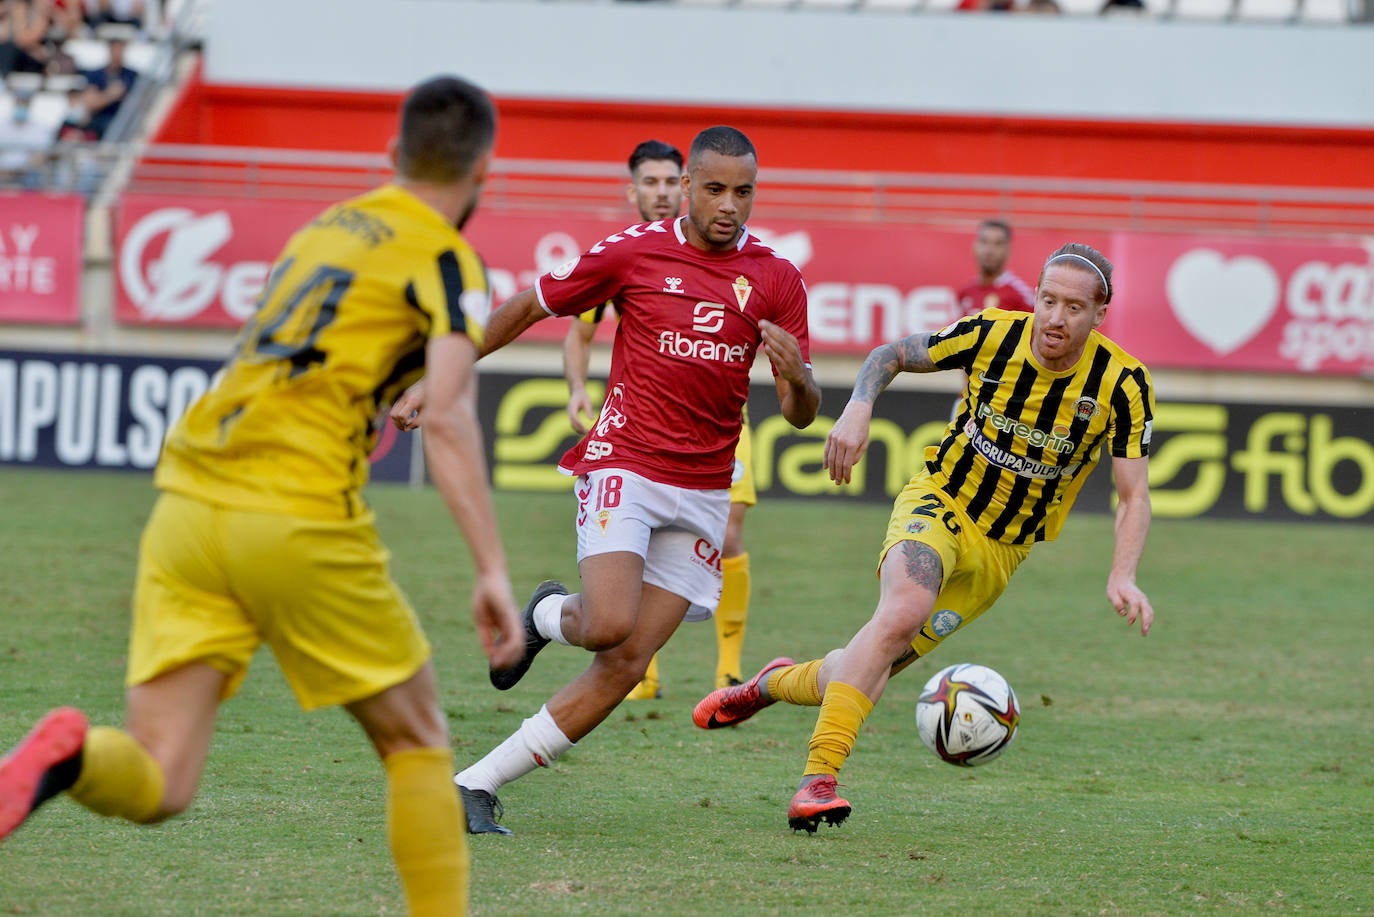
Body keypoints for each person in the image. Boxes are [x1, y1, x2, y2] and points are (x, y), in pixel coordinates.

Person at [0, 75, 525, 916]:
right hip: (295, 511)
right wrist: (492, 566)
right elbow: (454, 413)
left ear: (392, 156)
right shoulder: (446, 257)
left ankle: (67, 757)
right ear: (484, 172)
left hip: (188, 503)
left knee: (161, 776)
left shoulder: (324, 229)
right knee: (418, 742)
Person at [395, 125, 821, 835]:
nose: (729, 205)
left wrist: (802, 378)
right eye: (714, 188)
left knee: (625, 662)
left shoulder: (776, 278)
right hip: (627, 460)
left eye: (743, 192)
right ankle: (546, 616)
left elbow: (800, 414)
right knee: (608, 625)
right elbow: (531, 304)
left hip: (707, 488)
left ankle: (477, 780)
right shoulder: (633, 251)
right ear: (685, 186)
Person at [693, 242, 1155, 833]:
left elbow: (1133, 493)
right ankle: (818, 781)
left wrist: (1123, 573)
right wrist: (859, 407)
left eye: (1072, 307)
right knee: (901, 613)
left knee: (868, 664)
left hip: (1001, 555)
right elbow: (891, 354)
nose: (1055, 319)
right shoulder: (991, 333)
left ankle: (771, 683)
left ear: (1099, 314)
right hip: (940, 500)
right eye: (1047, 300)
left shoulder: (1123, 384)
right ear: (1034, 297)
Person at [562, 138, 763, 700]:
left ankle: (728, 666)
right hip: (642, 430)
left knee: (733, 530)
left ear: (687, 185)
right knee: (635, 541)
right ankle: (641, 669)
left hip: (720, 430)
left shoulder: (735, 258)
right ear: (633, 190)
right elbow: (579, 334)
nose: (661, 192)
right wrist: (578, 389)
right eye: (649, 183)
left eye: (670, 182)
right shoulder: (625, 255)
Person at [956, 219, 1034, 317]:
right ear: (974, 246)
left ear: (1008, 250)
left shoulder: (1020, 295)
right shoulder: (965, 292)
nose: (989, 250)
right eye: (984, 242)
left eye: (997, 243)